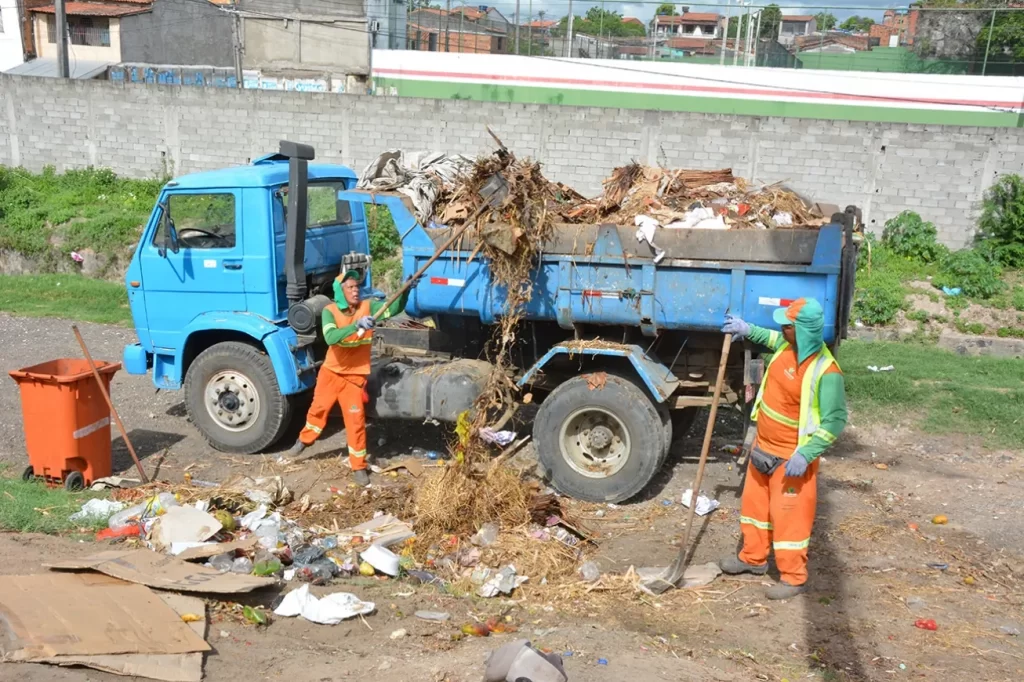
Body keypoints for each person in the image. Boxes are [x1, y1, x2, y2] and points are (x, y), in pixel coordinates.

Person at [718, 298, 847, 600]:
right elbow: (769, 337)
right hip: (763, 447)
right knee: (755, 509)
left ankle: (792, 577)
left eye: (786, 326)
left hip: (792, 458)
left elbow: (835, 421)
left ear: (802, 331)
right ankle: (753, 558)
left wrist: (807, 453)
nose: (781, 329)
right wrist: (746, 329)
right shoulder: (785, 347)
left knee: (790, 518)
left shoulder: (826, 373)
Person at [287, 270, 411, 485]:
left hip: (354, 377)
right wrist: (357, 325)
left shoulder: (368, 306)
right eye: (350, 287)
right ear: (340, 291)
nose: (356, 291)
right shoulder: (330, 311)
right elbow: (331, 337)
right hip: (331, 373)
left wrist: (407, 290)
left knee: (355, 421)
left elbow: (392, 308)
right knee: (319, 410)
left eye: (357, 287)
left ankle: (358, 466)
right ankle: (304, 440)